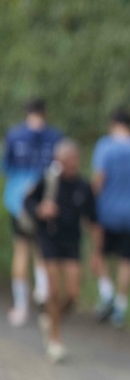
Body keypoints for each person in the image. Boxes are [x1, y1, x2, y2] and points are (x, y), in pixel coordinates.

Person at [24, 139, 97, 363]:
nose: (72, 164)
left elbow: (93, 219)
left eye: (74, 159)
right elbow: (28, 201)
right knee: (53, 290)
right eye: (67, 160)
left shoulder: (82, 186)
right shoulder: (48, 181)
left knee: (73, 294)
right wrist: (40, 209)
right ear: (59, 161)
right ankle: (55, 340)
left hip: (72, 243)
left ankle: (51, 318)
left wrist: (96, 251)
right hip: (49, 239)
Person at [89, 107, 130, 328]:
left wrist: (90, 206)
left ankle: (106, 291)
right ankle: (120, 305)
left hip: (106, 211)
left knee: (99, 253)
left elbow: (99, 178)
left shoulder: (105, 146)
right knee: (127, 260)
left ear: (113, 124)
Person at [4, 98, 62, 326]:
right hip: (44, 201)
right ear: (45, 112)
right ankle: (41, 297)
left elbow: (6, 166)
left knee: (21, 250)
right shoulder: (54, 136)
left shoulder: (14, 135)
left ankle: (21, 306)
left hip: (17, 200)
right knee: (42, 250)